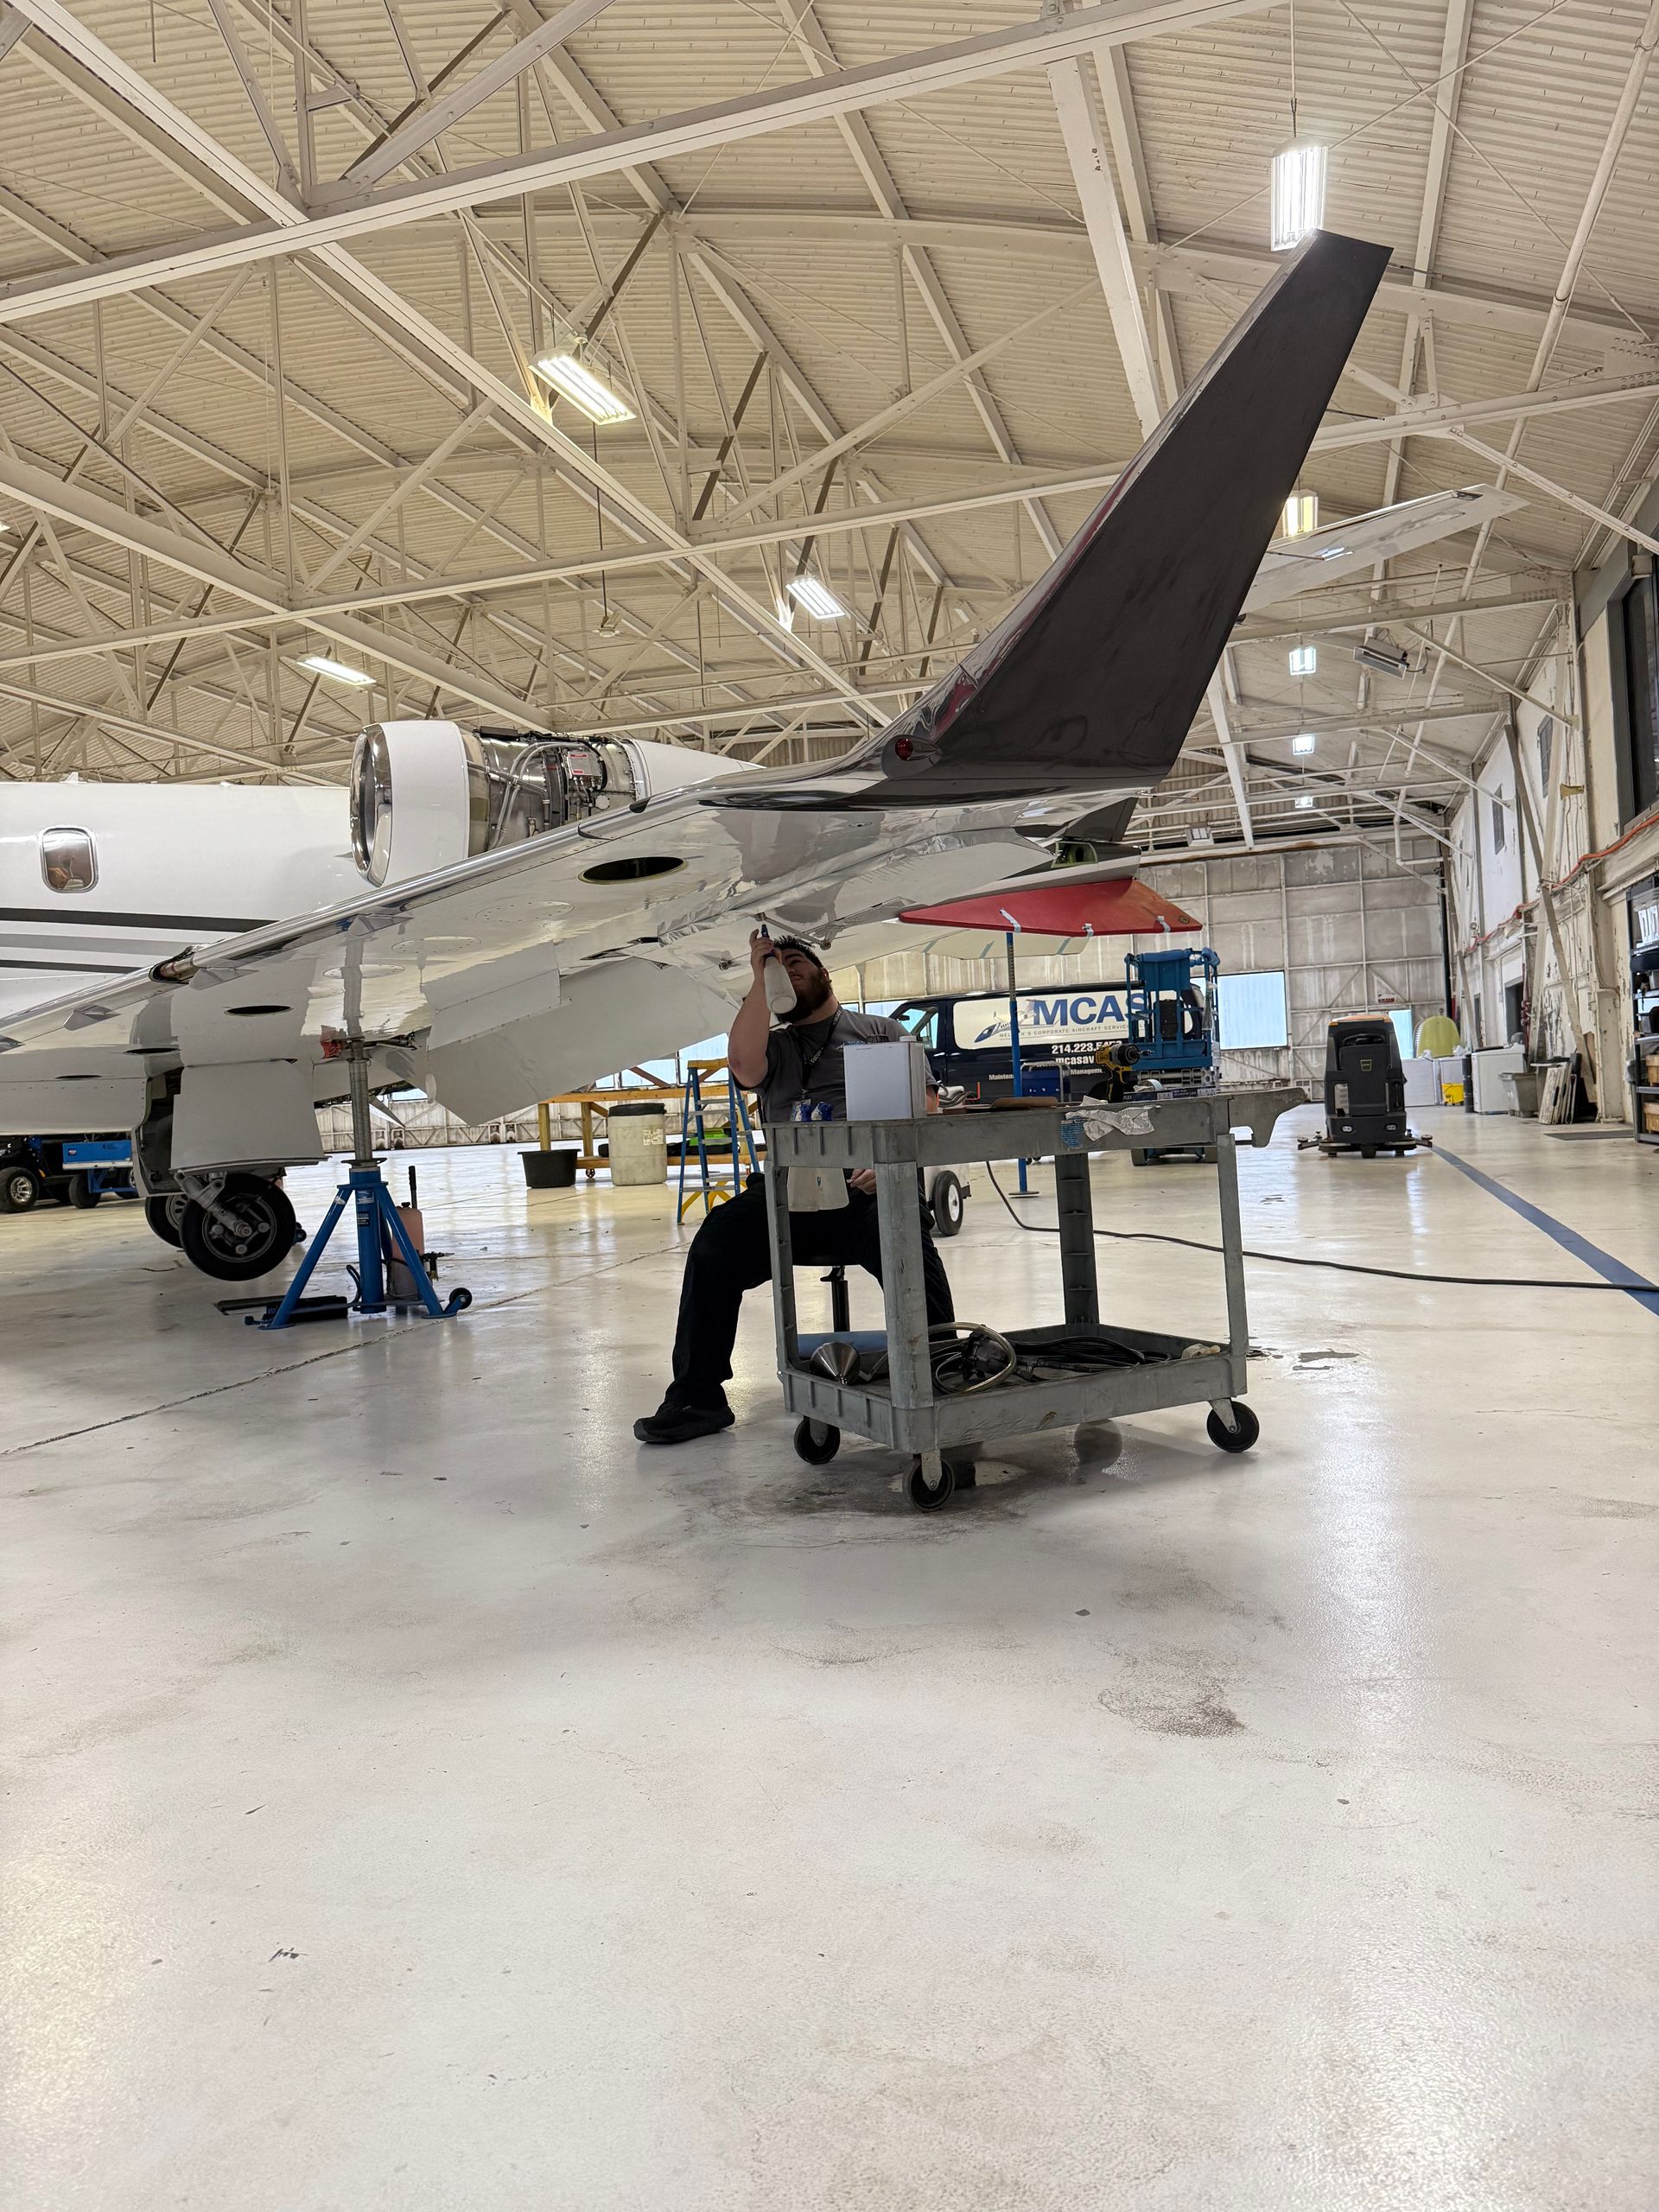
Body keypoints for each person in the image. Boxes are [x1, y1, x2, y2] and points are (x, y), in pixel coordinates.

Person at [633, 931, 955, 1446]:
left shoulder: (881, 1033)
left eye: (797, 961)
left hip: (867, 1188)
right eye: (778, 966)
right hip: (788, 1196)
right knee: (716, 1243)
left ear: (825, 972)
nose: (788, 969)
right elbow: (741, 1064)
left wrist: (891, 1165)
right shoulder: (773, 1049)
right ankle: (696, 1396)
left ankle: (944, 1368)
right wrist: (762, 976)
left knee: (907, 1243)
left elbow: (928, 1108)